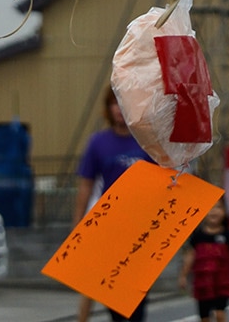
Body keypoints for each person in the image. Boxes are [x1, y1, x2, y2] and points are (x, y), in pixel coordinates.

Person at [74, 88, 153, 322]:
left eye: (123, 103)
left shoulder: (147, 141)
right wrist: (78, 227)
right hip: (109, 228)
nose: (119, 109)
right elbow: (85, 185)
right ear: (108, 109)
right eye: (114, 104)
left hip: (140, 229)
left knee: (137, 300)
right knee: (114, 298)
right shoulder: (98, 142)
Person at [181, 199, 229, 322]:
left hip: (222, 282)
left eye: (218, 207)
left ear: (224, 212)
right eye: (210, 208)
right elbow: (191, 255)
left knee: (220, 313)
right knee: (204, 316)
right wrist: (184, 276)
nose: (214, 212)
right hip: (203, 283)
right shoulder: (198, 236)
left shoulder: (228, 236)